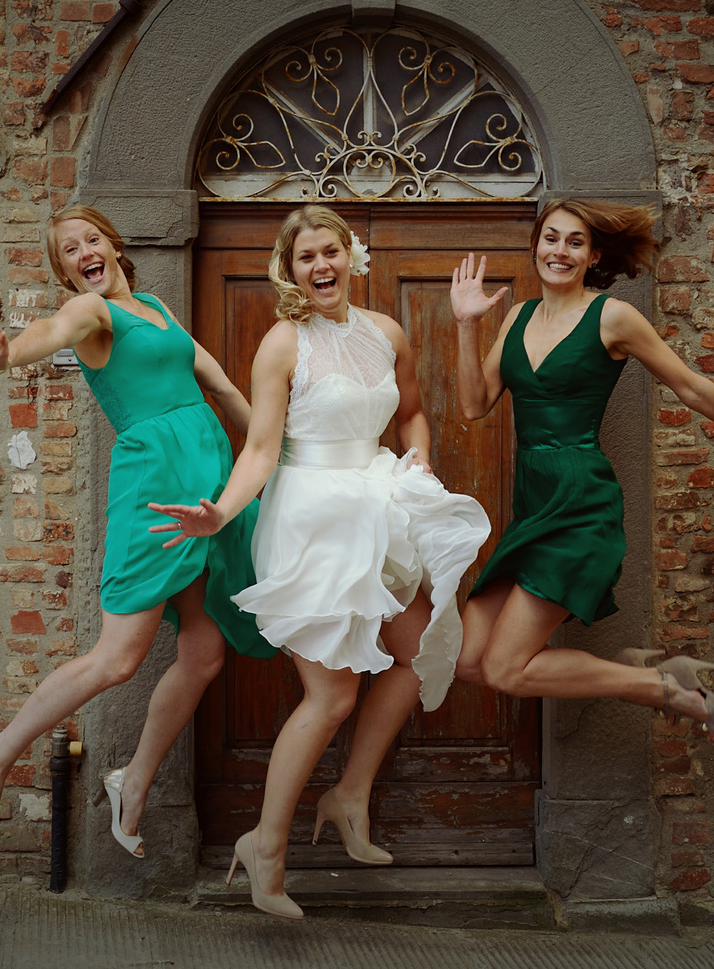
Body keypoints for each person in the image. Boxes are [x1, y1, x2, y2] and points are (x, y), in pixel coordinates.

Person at [149, 205, 489, 919]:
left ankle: (348, 794)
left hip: (378, 506)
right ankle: (265, 848)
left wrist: (419, 455)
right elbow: (263, 449)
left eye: (330, 251)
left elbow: (415, 411)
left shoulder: (387, 331)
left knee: (423, 655)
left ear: (350, 256)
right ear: (290, 268)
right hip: (312, 521)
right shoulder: (281, 344)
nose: (321, 266)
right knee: (332, 696)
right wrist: (221, 512)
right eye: (306, 257)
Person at [0, 205, 276, 858]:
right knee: (119, 658)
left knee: (205, 655)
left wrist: (274, 453)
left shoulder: (153, 304)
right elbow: (54, 326)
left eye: (90, 239)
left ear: (113, 243)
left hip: (209, 483)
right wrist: (6, 354)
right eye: (69, 251)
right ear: (66, 270)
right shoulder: (93, 315)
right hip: (157, 489)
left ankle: (135, 778)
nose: (82, 252)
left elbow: (219, 386)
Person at [448, 199, 714, 738]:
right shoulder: (517, 316)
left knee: (504, 668)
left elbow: (691, 386)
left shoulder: (611, 316)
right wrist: (467, 325)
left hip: (580, 503)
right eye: (551, 238)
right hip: (534, 505)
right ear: (536, 244)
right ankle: (655, 677)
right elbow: (473, 405)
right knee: (467, 660)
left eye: (574, 242)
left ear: (593, 255)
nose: (559, 251)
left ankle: (663, 689)